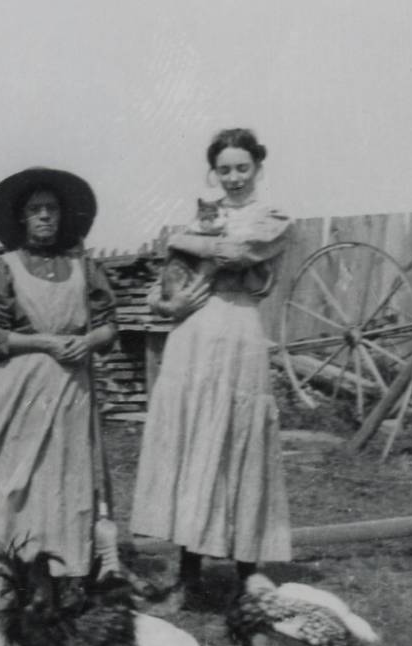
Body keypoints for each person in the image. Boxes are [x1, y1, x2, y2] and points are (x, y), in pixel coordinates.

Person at [0, 167, 117, 590]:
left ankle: (66, 568)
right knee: (15, 479)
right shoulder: (4, 268)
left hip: (72, 390)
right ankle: (6, 566)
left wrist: (88, 342)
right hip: (18, 391)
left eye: (52, 208)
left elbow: (108, 325)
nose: (45, 216)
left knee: (66, 478)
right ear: (22, 219)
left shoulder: (84, 267)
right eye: (35, 210)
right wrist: (46, 343)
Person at [131, 128, 294, 610]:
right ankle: (186, 580)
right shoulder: (204, 217)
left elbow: (240, 253)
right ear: (213, 172)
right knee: (192, 445)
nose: (234, 177)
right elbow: (161, 290)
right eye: (224, 169)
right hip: (193, 333)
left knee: (239, 445)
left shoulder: (273, 218)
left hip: (239, 330)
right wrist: (168, 302)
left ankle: (249, 578)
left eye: (243, 167)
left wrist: (182, 239)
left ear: (258, 168)